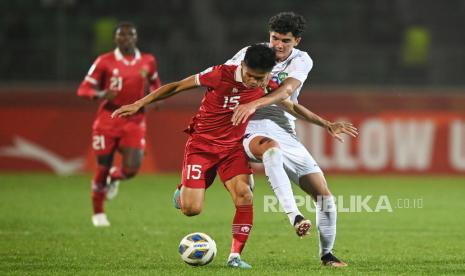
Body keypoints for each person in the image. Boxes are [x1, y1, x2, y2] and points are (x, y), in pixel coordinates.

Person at [112, 44, 277, 269]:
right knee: (192, 209)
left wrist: (324, 123)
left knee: (245, 195)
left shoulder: (267, 84)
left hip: (231, 148)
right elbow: (178, 86)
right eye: (250, 76)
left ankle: (235, 256)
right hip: (202, 146)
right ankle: (182, 193)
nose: (254, 82)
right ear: (242, 65)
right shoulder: (219, 74)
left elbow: (289, 102)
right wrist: (140, 103)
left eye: (260, 78)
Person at [227, 12, 358, 267]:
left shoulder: (302, 60)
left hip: (284, 129)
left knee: (325, 197)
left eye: (285, 40)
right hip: (249, 124)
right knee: (271, 151)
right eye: (274, 38)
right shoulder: (250, 53)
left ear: (296, 41)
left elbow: (287, 95)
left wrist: (326, 124)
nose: (278, 45)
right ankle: (295, 216)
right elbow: (223, 78)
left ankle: (327, 255)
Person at [77, 22, 161, 227]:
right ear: (115, 39)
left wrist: (156, 98)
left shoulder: (148, 61)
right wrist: (100, 94)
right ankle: (98, 213)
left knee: (132, 169)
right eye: (121, 35)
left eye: (130, 34)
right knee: (102, 167)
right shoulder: (104, 61)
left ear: (135, 37)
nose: (126, 38)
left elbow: (156, 84)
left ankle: (115, 177)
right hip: (108, 120)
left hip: (135, 120)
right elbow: (83, 89)